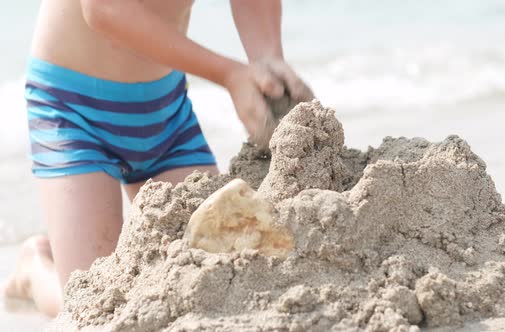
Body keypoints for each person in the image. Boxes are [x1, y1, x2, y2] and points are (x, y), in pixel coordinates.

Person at [3, 0, 313, 317]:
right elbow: (102, 9)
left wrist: (266, 57)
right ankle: (35, 268)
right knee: (91, 307)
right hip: (72, 109)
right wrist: (228, 73)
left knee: (212, 275)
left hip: (164, 109)